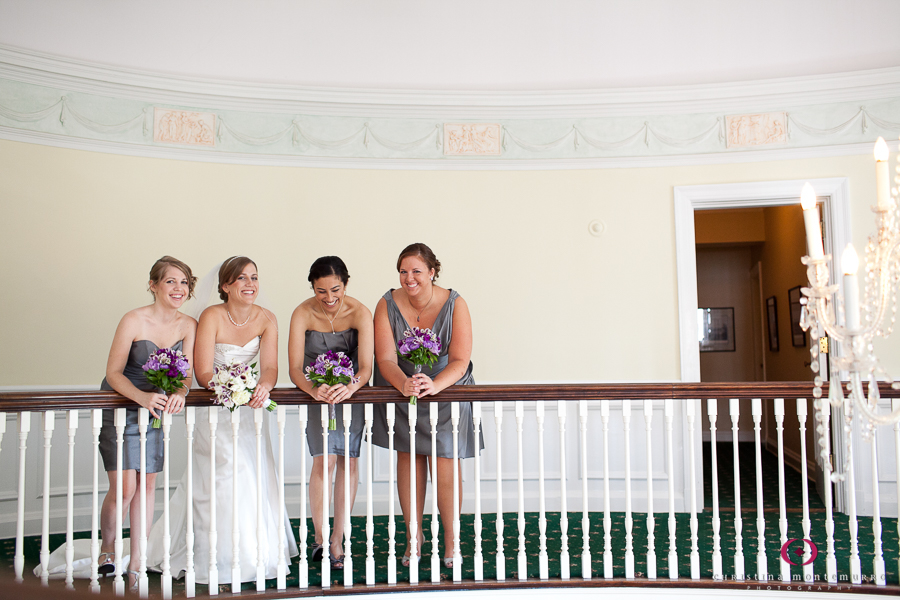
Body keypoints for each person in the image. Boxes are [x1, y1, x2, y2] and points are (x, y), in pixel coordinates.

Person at [147, 256, 297, 585]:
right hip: (216, 410)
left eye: (254, 277)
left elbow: (270, 367)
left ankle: (254, 554)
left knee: (252, 474)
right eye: (242, 279)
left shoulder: (267, 318)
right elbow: (201, 370)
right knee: (217, 479)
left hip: (250, 412)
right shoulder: (211, 316)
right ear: (226, 286)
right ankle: (213, 555)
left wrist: (263, 386)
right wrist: (226, 387)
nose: (250, 284)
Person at [371, 243, 479, 569]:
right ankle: (413, 538)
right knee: (410, 459)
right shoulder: (386, 304)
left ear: (432, 272)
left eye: (416, 271)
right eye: (403, 272)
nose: (409, 278)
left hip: (447, 388)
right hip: (404, 388)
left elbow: (460, 361)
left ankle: (451, 541)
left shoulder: (456, 304)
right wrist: (404, 383)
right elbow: (386, 358)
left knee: (445, 461)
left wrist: (436, 385)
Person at [288, 256, 373, 570]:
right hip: (318, 396)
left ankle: (339, 538)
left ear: (346, 284)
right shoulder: (302, 313)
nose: (329, 298)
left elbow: (366, 367)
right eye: (321, 291)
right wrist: (313, 390)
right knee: (323, 460)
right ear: (312, 287)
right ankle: (321, 538)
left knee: (349, 460)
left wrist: (350, 387)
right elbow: (295, 368)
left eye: (335, 289)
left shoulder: (361, 313)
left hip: (351, 395)